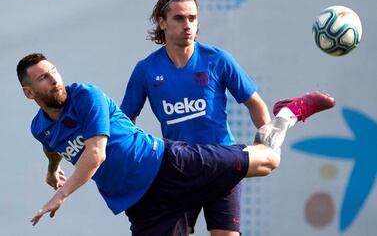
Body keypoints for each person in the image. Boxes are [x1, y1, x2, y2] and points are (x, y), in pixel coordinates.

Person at [17, 53, 335, 236]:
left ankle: (286, 114)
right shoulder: (39, 128)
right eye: (43, 78)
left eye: (53, 71)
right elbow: (52, 145)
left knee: (268, 161)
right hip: (141, 204)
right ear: (30, 93)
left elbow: (95, 153)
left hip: (169, 165)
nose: (54, 79)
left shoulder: (86, 96)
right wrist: (52, 169)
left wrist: (60, 194)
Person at [120, 0, 270, 235]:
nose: (187, 25)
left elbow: (256, 104)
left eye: (192, 18)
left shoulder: (217, 59)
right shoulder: (146, 70)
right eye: (179, 18)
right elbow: (126, 121)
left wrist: (263, 143)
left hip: (222, 162)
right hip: (181, 168)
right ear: (162, 22)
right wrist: (131, 162)